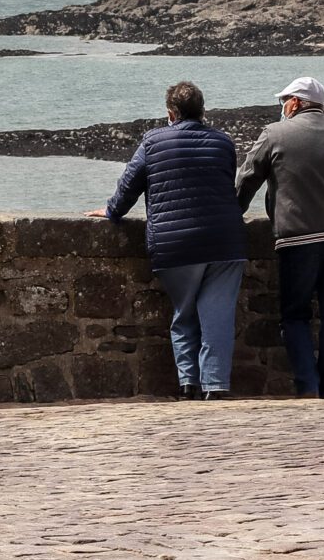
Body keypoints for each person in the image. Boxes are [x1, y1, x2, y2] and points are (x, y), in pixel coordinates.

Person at [92, 81, 248, 400]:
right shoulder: (223, 142)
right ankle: (215, 387)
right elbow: (227, 185)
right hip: (225, 240)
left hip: (175, 243)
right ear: (202, 112)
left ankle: (188, 384)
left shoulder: (152, 141)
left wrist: (111, 211)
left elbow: (129, 186)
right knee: (217, 318)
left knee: (185, 313)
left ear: (170, 113)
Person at [236, 75, 324, 399]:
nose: (282, 107)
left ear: (294, 103)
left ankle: (307, 385)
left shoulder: (275, 134)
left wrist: (233, 212)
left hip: (298, 238)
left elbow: (246, 180)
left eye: (283, 102)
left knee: (295, 316)